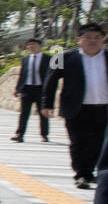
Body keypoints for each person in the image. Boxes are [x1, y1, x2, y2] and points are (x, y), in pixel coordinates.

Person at [42, 22, 107, 189]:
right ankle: (81, 174)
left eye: (97, 38)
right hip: (76, 109)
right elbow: (50, 81)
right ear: (79, 39)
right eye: (88, 38)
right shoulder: (62, 57)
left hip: (103, 108)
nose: (93, 41)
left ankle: (90, 172)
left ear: (103, 39)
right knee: (78, 142)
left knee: (99, 143)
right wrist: (46, 104)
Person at [11, 38, 50, 142]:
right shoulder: (25, 59)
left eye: (33, 44)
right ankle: (20, 134)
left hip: (41, 89)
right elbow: (22, 75)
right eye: (28, 45)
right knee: (24, 113)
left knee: (43, 113)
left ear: (40, 46)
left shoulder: (48, 58)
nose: (30, 46)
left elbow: (52, 75)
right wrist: (17, 88)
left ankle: (44, 134)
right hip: (27, 89)